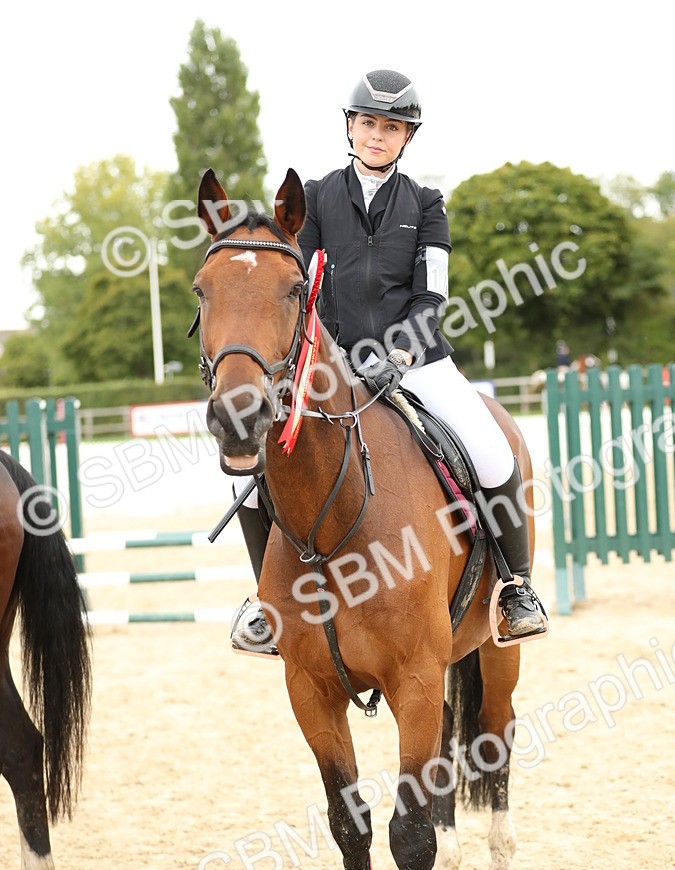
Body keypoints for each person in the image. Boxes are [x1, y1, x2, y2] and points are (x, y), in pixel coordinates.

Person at [230, 69, 547, 655]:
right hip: (331, 364)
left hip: (418, 360)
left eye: (392, 127)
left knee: (492, 449)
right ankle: (266, 603)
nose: (378, 135)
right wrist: (334, 355)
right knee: (253, 473)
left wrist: (399, 352)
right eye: (369, 123)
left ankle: (514, 586)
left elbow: (432, 296)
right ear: (350, 127)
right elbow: (304, 284)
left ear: (407, 138)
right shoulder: (318, 196)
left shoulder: (427, 205)